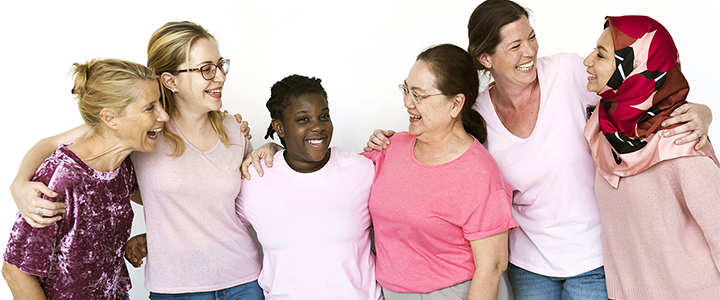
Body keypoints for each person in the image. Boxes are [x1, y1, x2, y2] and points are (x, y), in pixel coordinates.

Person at [364, 1, 713, 299]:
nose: (529, 51)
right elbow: (445, 150)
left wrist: (702, 111)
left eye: (531, 37)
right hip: (528, 265)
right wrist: (392, 142)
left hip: (594, 259)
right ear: (486, 58)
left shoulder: (568, 72)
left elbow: (635, 93)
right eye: (514, 46)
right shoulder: (478, 114)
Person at [9, 22, 263, 300]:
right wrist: (20, 183)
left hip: (244, 279)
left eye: (220, 65)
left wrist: (274, 146)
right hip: (176, 288)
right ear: (171, 81)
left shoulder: (230, 129)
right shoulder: (138, 130)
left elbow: (227, 203)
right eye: (206, 68)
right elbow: (52, 145)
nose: (220, 77)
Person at [246, 44, 517, 299]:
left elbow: (491, 267)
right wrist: (273, 148)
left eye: (419, 95)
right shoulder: (392, 147)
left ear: (456, 104)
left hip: (457, 292)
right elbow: (322, 172)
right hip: (392, 294)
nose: (407, 102)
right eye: (406, 90)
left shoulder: (479, 173)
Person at [2, 58, 169, 299]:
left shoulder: (122, 167)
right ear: (110, 119)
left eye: (160, 104)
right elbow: (15, 271)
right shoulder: (61, 178)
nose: (163, 115)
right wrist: (19, 181)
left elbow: (165, 201)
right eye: (149, 107)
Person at [583, 15, 720, 299]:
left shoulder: (680, 140)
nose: (587, 61)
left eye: (600, 54)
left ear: (635, 68)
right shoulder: (605, 130)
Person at [237, 74, 382, 299]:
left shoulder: (361, 170)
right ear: (279, 127)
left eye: (324, 116)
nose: (318, 127)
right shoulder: (254, 180)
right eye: (303, 119)